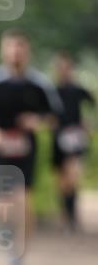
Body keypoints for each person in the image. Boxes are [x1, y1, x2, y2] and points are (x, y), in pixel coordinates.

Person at [0, 30, 62, 265]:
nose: (16, 52)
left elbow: (54, 118)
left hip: (26, 148)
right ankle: (5, 230)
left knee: (24, 199)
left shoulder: (39, 83)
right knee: (0, 204)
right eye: (11, 47)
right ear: (3, 50)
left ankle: (19, 254)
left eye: (20, 47)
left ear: (27, 51)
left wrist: (38, 121)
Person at [51, 52, 95, 232]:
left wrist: (89, 122)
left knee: (73, 175)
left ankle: (72, 217)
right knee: (62, 180)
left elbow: (93, 105)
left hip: (75, 138)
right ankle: (66, 215)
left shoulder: (79, 90)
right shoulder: (52, 91)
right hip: (58, 138)